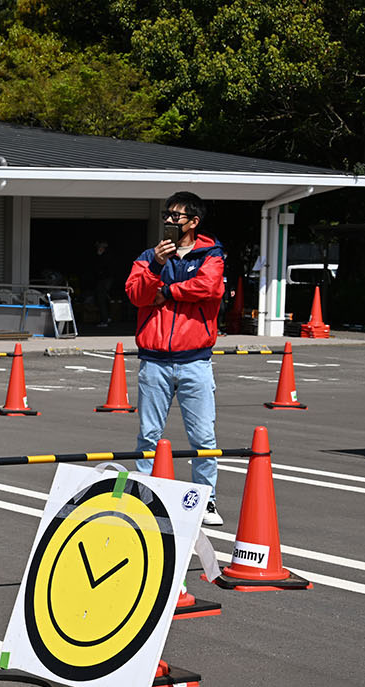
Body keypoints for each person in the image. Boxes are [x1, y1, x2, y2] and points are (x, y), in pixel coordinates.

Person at [126, 191, 226, 526]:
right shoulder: (148, 256)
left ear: (193, 222)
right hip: (153, 360)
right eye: (166, 214)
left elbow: (209, 288)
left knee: (203, 437)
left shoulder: (211, 254)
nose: (169, 220)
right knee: (148, 434)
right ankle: (144, 496)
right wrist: (156, 264)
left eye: (176, 215)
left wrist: (168, 291)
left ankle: (207, 500)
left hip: (195, 360)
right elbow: (137, 294)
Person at [92, 240, 115, 327]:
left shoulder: (105, 256)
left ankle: (104, 320)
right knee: (104, 298)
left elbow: (101, 267)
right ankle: (107, 317)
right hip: (105, 279)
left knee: (101, 298)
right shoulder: (105, 256)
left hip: (105, 279)